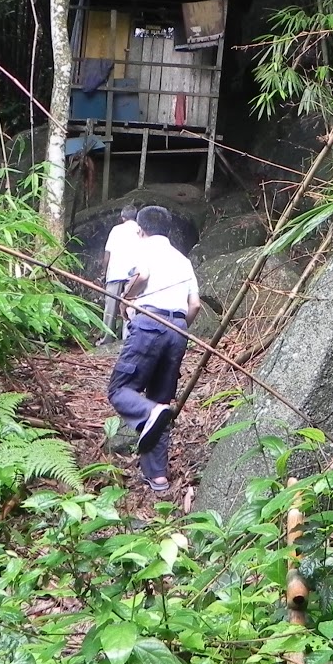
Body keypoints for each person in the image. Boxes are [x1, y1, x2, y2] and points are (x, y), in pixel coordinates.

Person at [107, 205, 200, 495]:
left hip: (150, 322)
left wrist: (126, 299)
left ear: (140, 229)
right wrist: (179, 327)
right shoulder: (183, 260)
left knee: (120, 390)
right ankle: (158, 477)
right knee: (161, 398)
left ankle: (149, 413)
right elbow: (194, 305)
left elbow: (142, 275)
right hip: (178, 328)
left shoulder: (144, 249)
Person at [99, 205, 143, 343]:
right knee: (130, 306)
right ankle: (127, 339)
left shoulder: (116, 230)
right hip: (134, 275)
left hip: (115, 273)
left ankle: (107, 338)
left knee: (110, 308)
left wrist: (104, 271)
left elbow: (108, 253)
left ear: (122, 217)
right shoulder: (140, 230)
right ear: (135, 216)